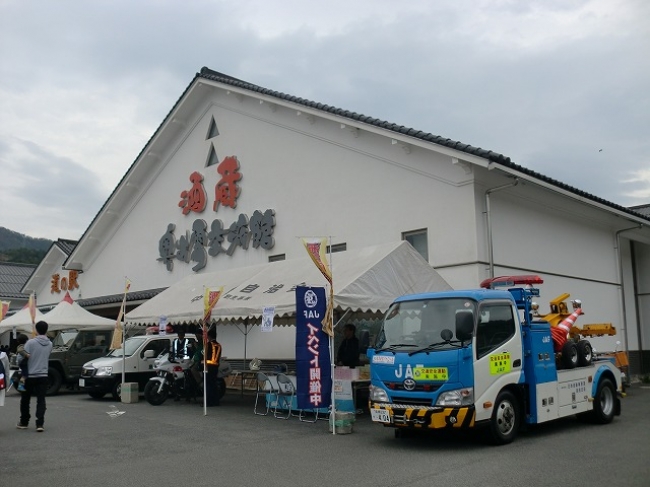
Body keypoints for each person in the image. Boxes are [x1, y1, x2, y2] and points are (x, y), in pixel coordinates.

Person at [17, 321, 53, 432]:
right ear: (46, 330)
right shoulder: (50, 344)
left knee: (25, 399)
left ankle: (24, 422)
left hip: (29, 375)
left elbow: (20, 358)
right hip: (43, 374)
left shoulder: (30, 343)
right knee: (41, 400)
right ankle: (40, 424)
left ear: (36, 330)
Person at [204, 327, 222, 406]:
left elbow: (205, 356)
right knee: (213, 384)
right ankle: (216, 401)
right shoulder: (219, 345)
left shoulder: (208, 344)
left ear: (209, 336)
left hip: (209, 366)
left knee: (208, 385)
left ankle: (208, 402)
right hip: (216, 367)